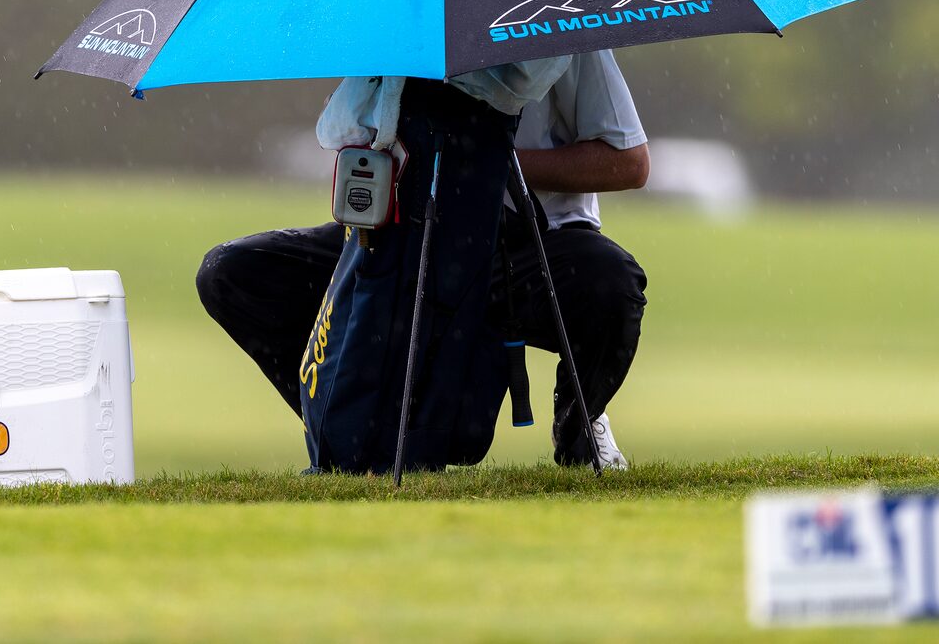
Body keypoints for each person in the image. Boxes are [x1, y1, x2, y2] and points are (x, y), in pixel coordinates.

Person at [196, 49, 649, 468]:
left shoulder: (551, 19)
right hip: (405, 236)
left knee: (612, 279)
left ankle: (579, 426)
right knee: (232, 273)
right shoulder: (398, 21)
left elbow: (629, 161)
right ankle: (352, 416)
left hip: (524, 244)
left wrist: (484, 159)